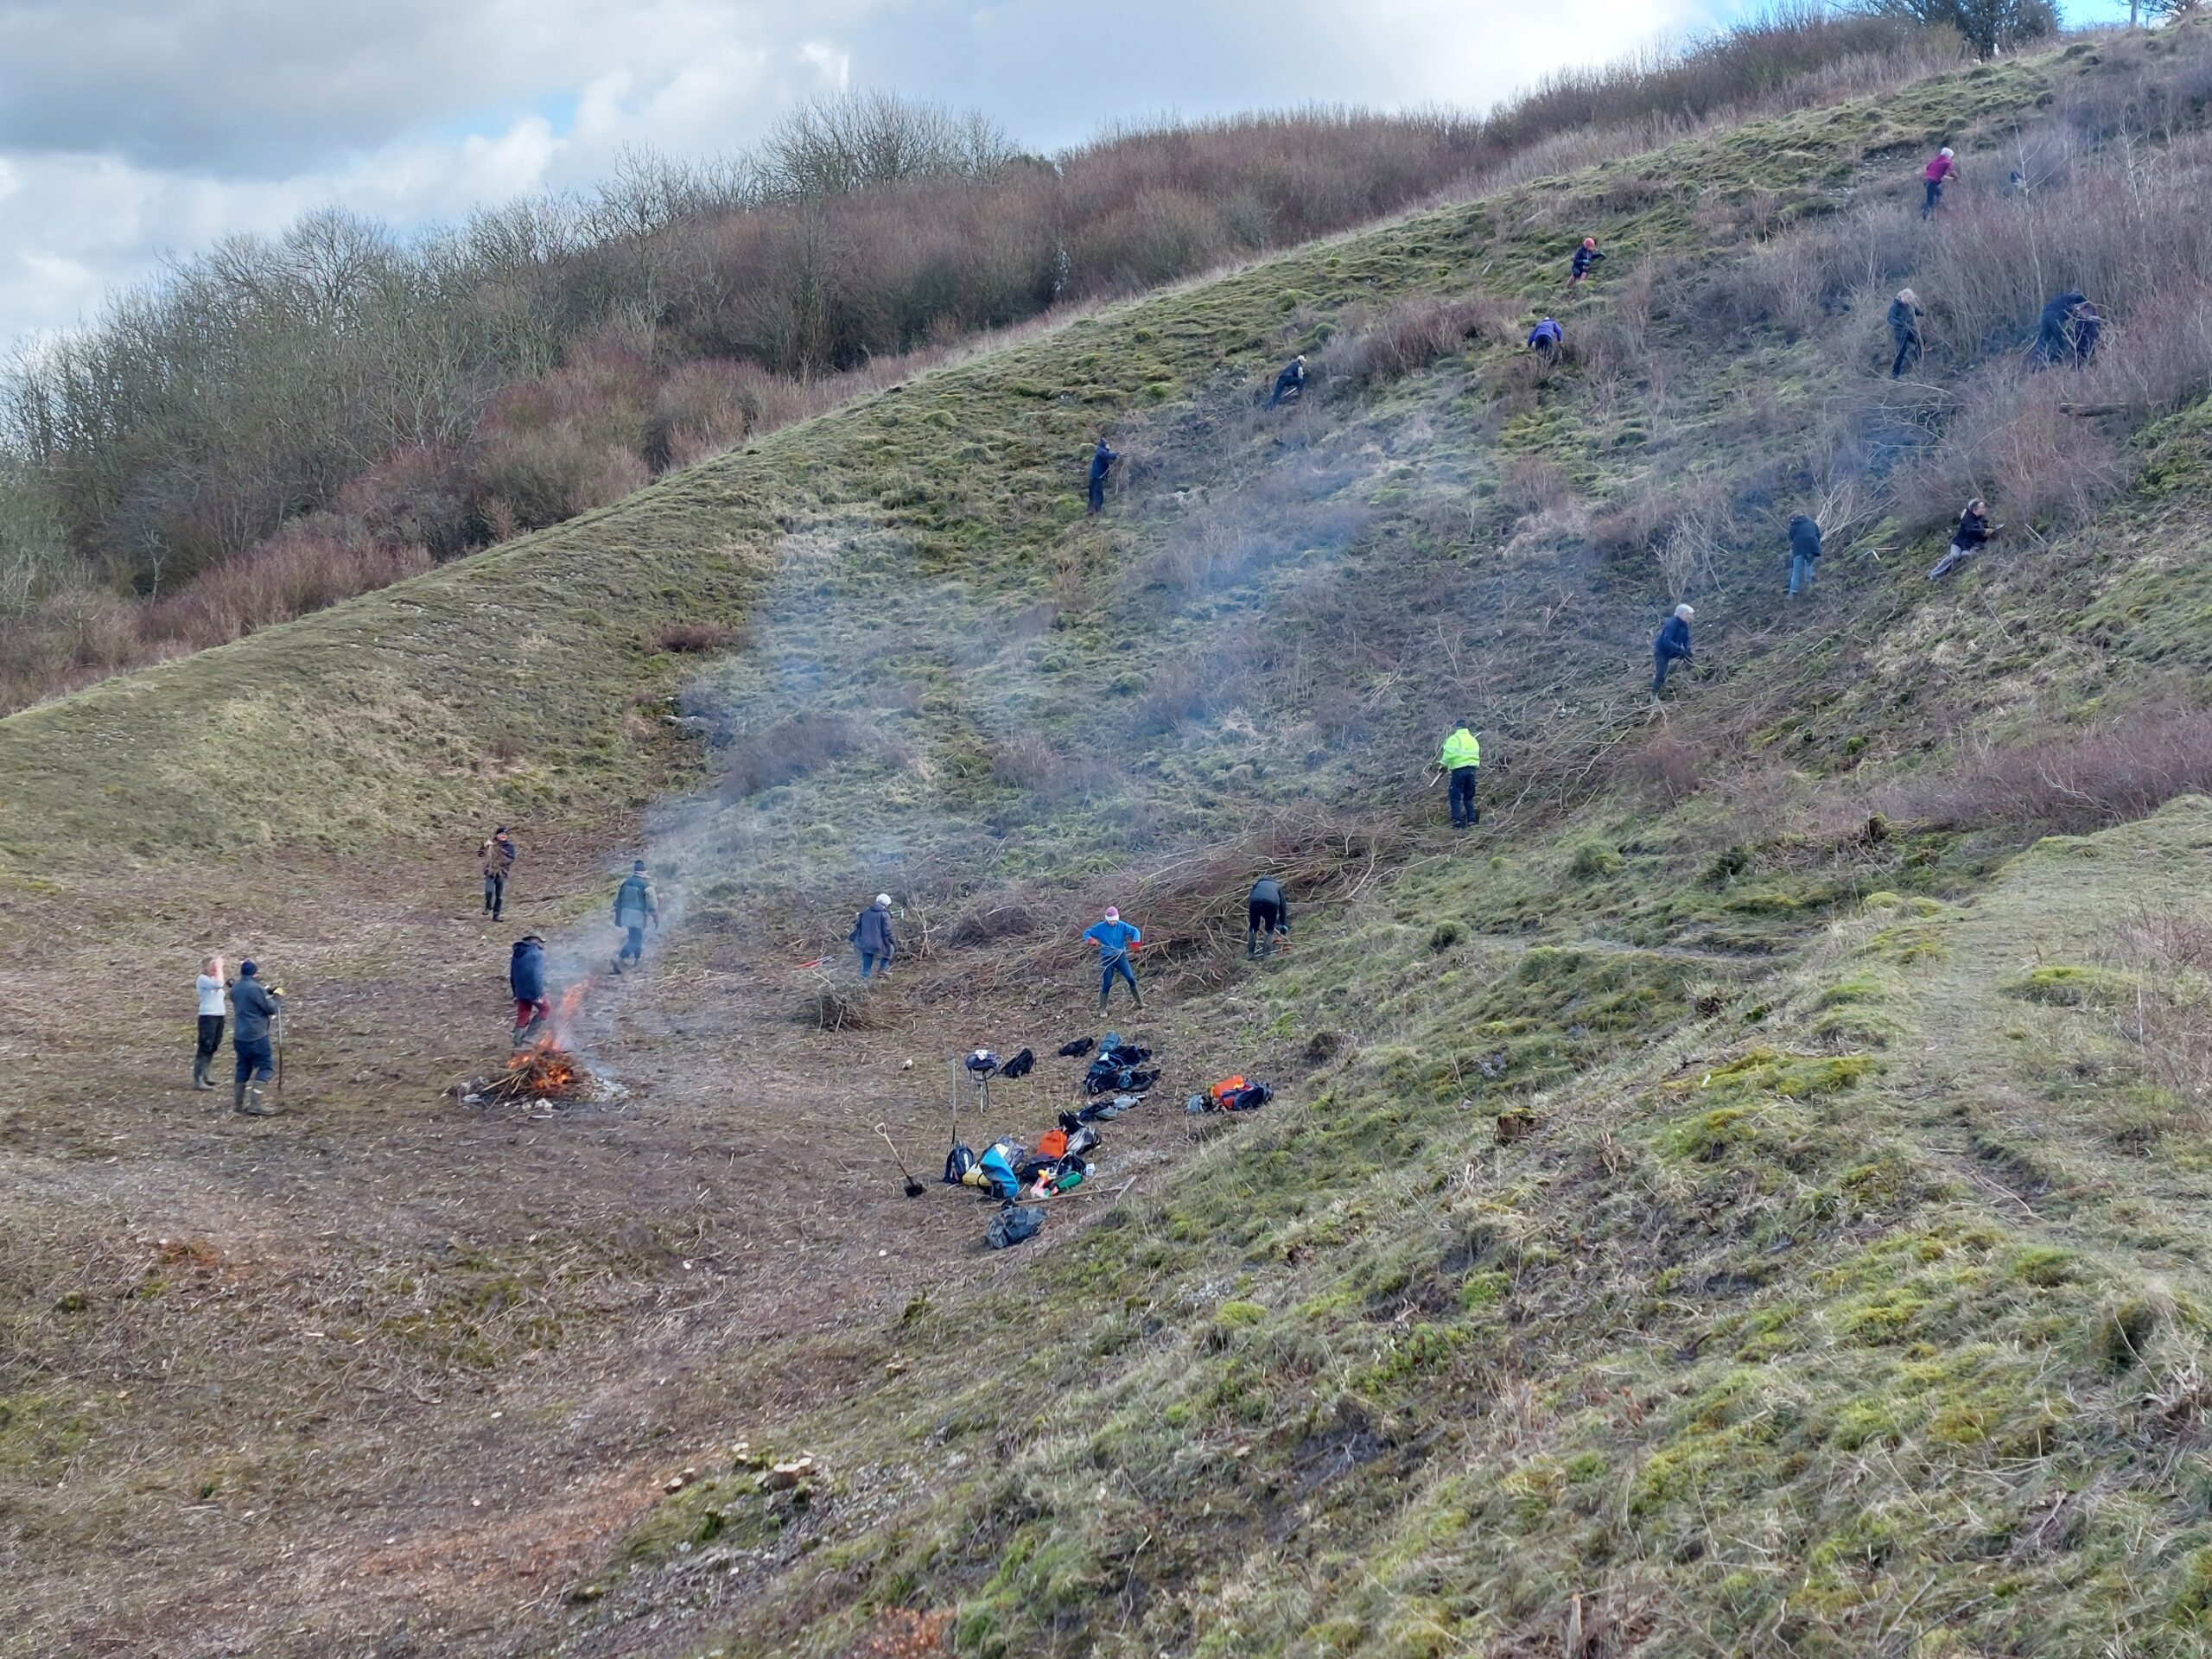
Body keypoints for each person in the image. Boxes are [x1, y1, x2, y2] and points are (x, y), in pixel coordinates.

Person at [231, 960, 283, 1116]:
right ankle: (256, 1104)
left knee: (243, 1067)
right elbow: (271, 1008)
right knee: (266, 1066)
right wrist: (278, 996)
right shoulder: (256, 988)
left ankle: (238, 1105)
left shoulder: (236, 988)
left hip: (240, 1036)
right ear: (255, 973)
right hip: (256, 1035)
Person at [1084, 906, 1144, 1012]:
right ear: (1106, 920)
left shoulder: (1122, 926)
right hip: (1107, 959)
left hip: (1121, 957)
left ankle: (1140, 1002)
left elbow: (1135, 931)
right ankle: (1102, 1009)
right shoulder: (1100, 927)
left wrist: (1136, 943)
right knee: (1107, 984)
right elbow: (1086, 933)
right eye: (1111, 921)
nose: (1113, 923)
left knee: (1131, 978)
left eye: (1115, 921)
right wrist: (1090, 940)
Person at [1928, 499, 1999, 580]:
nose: (1984, 509)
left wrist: (1990, 531)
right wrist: (1984, 531)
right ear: (1975, 509)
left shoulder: (1981, 519)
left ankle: (1949, 570)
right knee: (1954, 556)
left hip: (1969, 546)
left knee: (1966, 556)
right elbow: (1973, 530)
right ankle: (1934, 574)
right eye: (1982, 508)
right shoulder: (1967, 519)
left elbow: (1981, 535)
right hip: (1958, 544)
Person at [612, 860, 658, 973]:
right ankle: (619, 958)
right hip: (638, 915)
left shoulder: (626, 883)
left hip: (625, 914)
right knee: (636, 939)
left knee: (635, 936)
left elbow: (618, 901)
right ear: (643, 872)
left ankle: (637, 959)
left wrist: (618, 917)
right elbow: (653, 904)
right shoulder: (646, 885)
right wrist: (656, 918)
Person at [193, 954, 227, 1091]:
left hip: (219, 1015)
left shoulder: (214, 979)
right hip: (208, 1016)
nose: (215, 969)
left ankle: (206, 1074)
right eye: (212, 966)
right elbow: (219, 984)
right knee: (205, 1046)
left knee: (214, 1044)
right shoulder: (203, 979)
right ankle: (198, 1078)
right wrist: (219, 966)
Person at [1439, 722, 1482, 830]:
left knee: (1455, 797)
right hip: (1472, 770)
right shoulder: (1472, 739)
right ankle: (1471, 820)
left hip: (1459, 771)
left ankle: (1458, 821)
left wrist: (1443, 765)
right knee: (1468, 796)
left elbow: (1449, 754)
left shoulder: (1454, 739)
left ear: (1456, 728)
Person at [2034, 291, 2090, 367]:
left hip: (2045, 315)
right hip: (2054, 317)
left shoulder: (2062, 299)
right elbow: (2075, 314)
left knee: (2045, 339)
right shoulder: (2072, 301)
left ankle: (2037, 361)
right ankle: (2059, 359)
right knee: (2059, 339)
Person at [511, 934, 550, 1039]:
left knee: (523, 1014)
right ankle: (529, 1039)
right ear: (536, 941)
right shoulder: (536, 954)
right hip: (533, 991)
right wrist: (539, 994)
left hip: (520, 991)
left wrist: (515, 993)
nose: (541, 944)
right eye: (540, 941)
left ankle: (517, 1043)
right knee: (545, 1009)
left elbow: (513, 974)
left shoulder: (518, 954)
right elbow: (537, 975)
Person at [1652, 603, 1694, 700]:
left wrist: (1687, 648)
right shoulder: (1671, 623)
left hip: (1673, 650)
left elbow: (1687, 637)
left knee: (1688, 657)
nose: (1690, 617)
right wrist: (1679, 649)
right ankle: (1654, 695)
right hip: (1662, 651)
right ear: (1683, 614)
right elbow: (1667, 639)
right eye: (1688, 614)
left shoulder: (1684, 624)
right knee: (1661, 672)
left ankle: (1691, 679)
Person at [851, 893, 896, 980]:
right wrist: (893, 942)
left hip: (864, 942)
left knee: (866, 962)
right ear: (887, 904)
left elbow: (858, 925)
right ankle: (882, 971)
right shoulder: (885, 915)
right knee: (890, 949)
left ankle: (864, 980)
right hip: (878, 944)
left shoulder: (866, 912)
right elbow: (888, 932)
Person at [478, 827, 516, 922]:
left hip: (502, 872)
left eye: (506, 835)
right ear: (496, 835)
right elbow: (480, 854)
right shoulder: (490, 844)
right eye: (501, 834)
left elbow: (510, 859)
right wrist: (484, 846)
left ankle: (496, 916)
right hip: (490, 871)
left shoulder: (509, 846)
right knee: (488, 890)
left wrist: (499, 851)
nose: (504, 836)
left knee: (499, 896)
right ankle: (488, 906)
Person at [1246, 877, 1289, 960]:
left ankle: (1250, 954)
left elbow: (1251, 897)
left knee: (1253, 927)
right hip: (1271, 904)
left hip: (1255, 902)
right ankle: (1266, 954)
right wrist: (1283, 923)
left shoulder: (1257, 884)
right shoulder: (1277, 886)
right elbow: (1283, 906)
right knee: (1269, 928)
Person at [1887, 289, 1923, 378]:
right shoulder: (1895, 306)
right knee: (1901, 352)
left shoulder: (1910, 305)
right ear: (1901, 296)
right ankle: (1895, 373)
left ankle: (1915, 357)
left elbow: (1916, 311)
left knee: (1921, 341)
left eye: (1909, 299)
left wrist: (1920, 313)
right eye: (1906, 298)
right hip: (1900, 333)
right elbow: (1890, 318)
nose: (1907, 301)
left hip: (1909, 330)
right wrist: (1899, 324)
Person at [1788, 513, 1822, 598]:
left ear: (1793, 519)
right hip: (1812, 547)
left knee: (1796, 571)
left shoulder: (1794, 526)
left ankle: (1793, 592)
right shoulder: (1812, 523)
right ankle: (1809, 584)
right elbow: (1818, 535)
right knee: (1809, 564)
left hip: (1798, 550)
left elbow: (1791, 537)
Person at [1086, 437, 1119, 517]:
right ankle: (1097, 511)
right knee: (1098, 494)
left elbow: (1109, 457)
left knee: (1093, 494)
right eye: (1107, 444)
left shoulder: (1101, 452)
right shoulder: (1101, 451)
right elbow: (1108, 455)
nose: (1109, 446)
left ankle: (1092, 511)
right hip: (1097, 477)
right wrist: (1118, 453)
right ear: (1105, 445)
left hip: (1094, 477)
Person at [1922, 147, 1955, 218]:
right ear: (1949, 156)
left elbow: (1928, 167)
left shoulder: (1935, 160)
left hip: (1925, 179)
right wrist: (1955, 178)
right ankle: (1925, 214)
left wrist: (1939, 173)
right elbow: (1951, 172)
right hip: (1932, 181)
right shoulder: (1947, 162)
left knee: (1938, 193)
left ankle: (1935, 208)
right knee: (1931, 200)